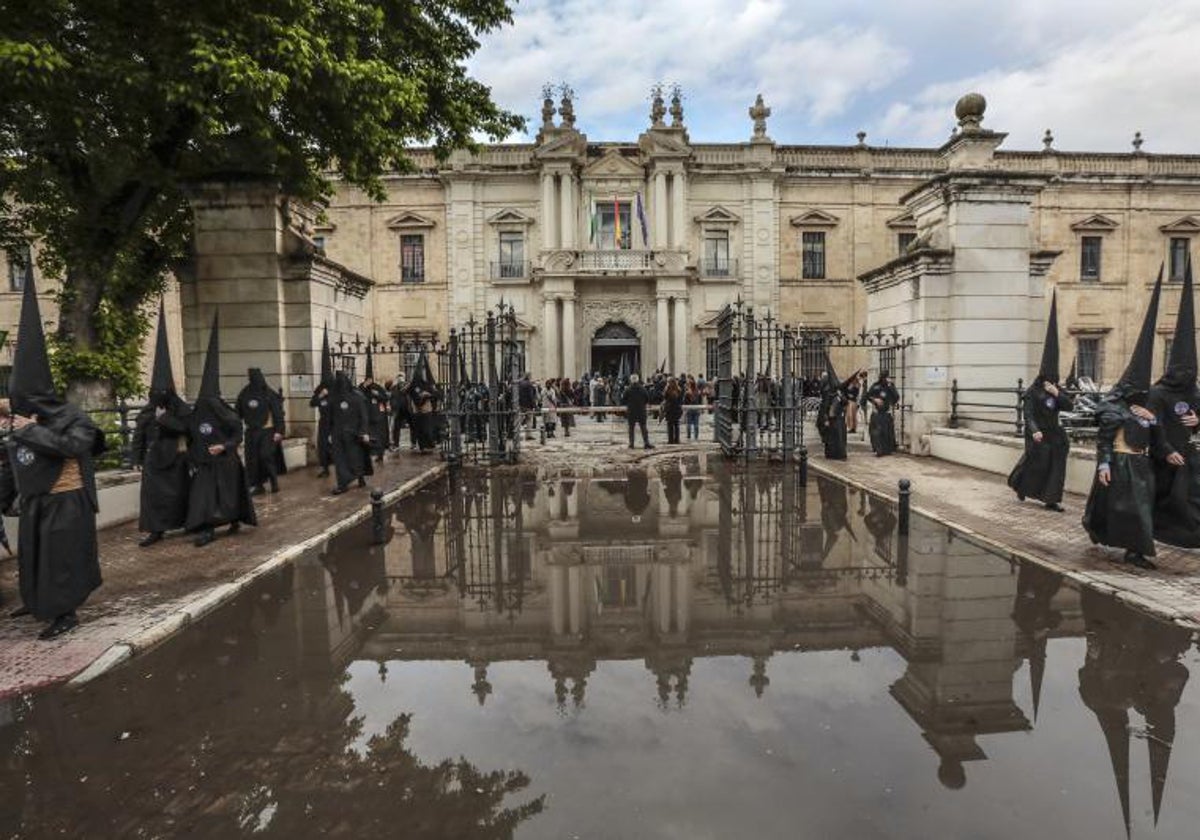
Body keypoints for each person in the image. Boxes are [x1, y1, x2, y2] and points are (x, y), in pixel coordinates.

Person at [2, 275, 106, 639]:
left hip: (67, 500)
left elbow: (74, 447)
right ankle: (35, 600)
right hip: (34, 501)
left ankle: (65, 613)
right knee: (32, 558)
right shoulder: (20, 420)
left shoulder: (71, 416)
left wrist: (29, 429)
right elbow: (12, 462)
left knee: (60, 561)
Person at [1083, 270, 1162, 569]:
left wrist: (1153, 421)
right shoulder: (1113, 409)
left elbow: (1157, 436)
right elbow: (1104, 439)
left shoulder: (1146, 410)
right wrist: (1104, 464)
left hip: (1142, 464)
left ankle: (1135, 549)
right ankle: (1136, 552)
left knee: (1142, 508)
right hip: (1121, 462)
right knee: (1131, 509)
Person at [186, 314, 257, 547]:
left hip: (226, 462)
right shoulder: (197, 414)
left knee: (229, 496)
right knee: (205, 497)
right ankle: (207, 530)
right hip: (205, 463)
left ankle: (234, 520)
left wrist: (224, 446)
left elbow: (238, 435)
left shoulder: (226, 414)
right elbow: (191, 435)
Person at [1149, 260, 1200, 546]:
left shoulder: (1193, 391)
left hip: (1188, 452)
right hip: (1164, 454)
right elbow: (1153, 424)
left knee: (1188, 496)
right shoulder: (1157, 394)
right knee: (1165, 496)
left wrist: (1199, 421)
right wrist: (1165, 450)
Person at [131, 301, 191, 546]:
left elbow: (186, 429)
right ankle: (155, 530)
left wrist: (164, 418)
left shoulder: (180, 408)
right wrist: (135, 458)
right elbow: (139, 433)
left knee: (179, 494)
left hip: (176, 457)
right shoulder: (148, 409)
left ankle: (186, 523)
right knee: (152, 498)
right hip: (153, 459)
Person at [1009, 292, 1073, 509]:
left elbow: (1069, 406)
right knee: (1036, 464)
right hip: (1036, 433)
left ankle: (1051, 500)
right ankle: (1019, 484)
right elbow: (1028, 414)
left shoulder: (1056, 389)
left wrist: (1057, 393)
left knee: (1056, 466)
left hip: (1054, 432)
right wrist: (1034, 430)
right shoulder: (1032, 392)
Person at [237, 367, 286, 496]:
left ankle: (273, 481)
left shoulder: (268, 394)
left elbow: (277, 414)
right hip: (251, 432)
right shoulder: (245, 393)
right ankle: (257, 485)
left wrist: (279, 431)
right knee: (253, 460)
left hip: (267, 431)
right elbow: (238, 411)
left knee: (265, 456)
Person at [329, 369, 373, 493]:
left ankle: (360, 476)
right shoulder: (333, 398)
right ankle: (343, 484)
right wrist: (329, 433)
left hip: (353, 433)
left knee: (355, 458)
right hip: (337, 433)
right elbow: (330, 417)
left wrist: (363, 432)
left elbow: (364, 416)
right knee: (339, 459)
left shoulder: (357, 396)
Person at [310, 326, 335, 477]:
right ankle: (325, 468)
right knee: (323, 445)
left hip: (336, 422)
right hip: (324, 421)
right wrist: (320, 396)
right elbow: (312, 403)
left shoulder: (336, 391)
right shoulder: (321, 391)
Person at [360, 347, 390, 463]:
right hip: (367, 417)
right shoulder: (361, 388)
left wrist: (377, 395)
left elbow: (386, 398)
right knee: (368, 437)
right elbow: (357, 395)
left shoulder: (378, 388)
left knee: (380, 437)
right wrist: (364, 386)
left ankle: (380, 454)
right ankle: (368, 455)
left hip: (378, 418)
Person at [816, 354, 848, 460]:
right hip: (831, 419)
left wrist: (840, 396)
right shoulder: (827, 393)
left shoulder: (839, 392)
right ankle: (831, 454)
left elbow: (845, 402)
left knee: (839, 438)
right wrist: (825, 418)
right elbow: (825, 407)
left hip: (839, 419)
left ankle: (840, 454)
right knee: (831, 438)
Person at [864, 370, 902, 458]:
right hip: (876, 413)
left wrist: (890, 386)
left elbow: (896, 397)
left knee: (886, 432)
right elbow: (868, 395)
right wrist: (875, 400)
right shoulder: (875, 385)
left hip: (886, 413)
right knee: (876, 432)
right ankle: (878, 449)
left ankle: (887, 449)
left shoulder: (890, 386)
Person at [623, 373, 653, 449]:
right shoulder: (643, 389)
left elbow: (623, 399)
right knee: (643, 428)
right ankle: (646, 443)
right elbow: (647, 398)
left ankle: (631, 444)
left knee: (631, 428)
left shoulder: (628, 389)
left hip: (631, 411)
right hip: (641, 411)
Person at [390, 372, 412, 451]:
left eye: (401, 376)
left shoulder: (408, 386)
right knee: (396, 427)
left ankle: (413, 443)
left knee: (413, 426)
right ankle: (396, 444)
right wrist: (392, 407)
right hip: (398, 409)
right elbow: (392, 398)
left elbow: (408, 393)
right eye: (398, 376)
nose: (400, 378)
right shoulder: (394, 388)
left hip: (407, 408)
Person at [662, 379, 683, 444]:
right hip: (677, 409)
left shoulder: (667, 390)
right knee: (676, 425)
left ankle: (670, 440)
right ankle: (677, 439)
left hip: (670, 409)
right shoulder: (679, 390)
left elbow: (665, 398)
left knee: (670, 426)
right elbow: (681, 400)